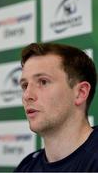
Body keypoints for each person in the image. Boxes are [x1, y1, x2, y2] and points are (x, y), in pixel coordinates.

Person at [14, 43, 98, 172]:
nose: (27, 95)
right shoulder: (26, 166)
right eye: (25, 85)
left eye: (43, 82)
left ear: (81, 93)